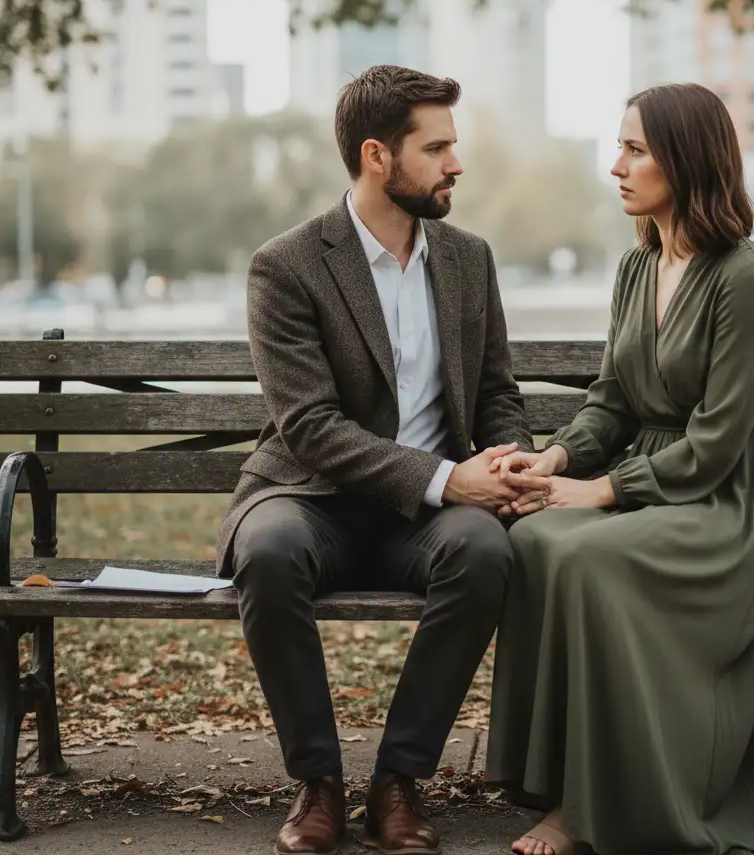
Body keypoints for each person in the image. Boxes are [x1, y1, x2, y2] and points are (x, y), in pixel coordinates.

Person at [216, 64, 541, 855]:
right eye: (436, 149)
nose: (456, 164)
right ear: (376, 155)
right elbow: (309, 426)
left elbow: (496, 391)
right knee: (268, 550)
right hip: (311, 498)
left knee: (484, 551)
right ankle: (317, 783)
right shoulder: (288, 264)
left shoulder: (468, 259)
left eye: (453, 146)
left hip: (425, 520)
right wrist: (446, 478)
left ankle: (398, 781)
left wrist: (511, 460)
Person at [484, 83, 754, 855]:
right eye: (620, 147)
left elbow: (718, 442)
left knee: (587, 558)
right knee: (532, 539)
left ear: (686, 161)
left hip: (732, 503)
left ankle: (588, 809)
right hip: (656, 485)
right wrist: (555, 457)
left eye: (635, 150)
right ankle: (554, 780)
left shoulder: (745, 277)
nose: (616, 166)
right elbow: (613, 403)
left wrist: (600, 491)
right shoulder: (638, 268)